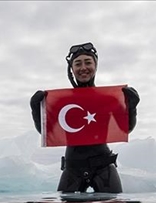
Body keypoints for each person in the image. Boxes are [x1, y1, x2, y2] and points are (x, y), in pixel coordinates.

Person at [30, 42, 139, 194]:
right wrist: (36, 110)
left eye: (88, 62)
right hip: (73, 168)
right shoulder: (62, 102)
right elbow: (46, 133)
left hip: (103, 166)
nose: (83, 68)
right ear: (72, 69)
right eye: (78, 64)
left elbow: (126, 128)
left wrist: (132, 108)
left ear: (95, 66)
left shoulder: (108, 99)